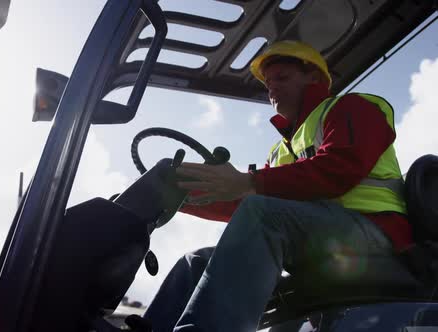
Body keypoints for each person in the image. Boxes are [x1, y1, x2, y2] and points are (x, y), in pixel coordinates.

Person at [141, 40, 412, 332]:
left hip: (375, 232)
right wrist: (175, 200)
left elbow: (338, 169)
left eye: (282, 77)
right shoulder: (281, 151)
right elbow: (242, 199)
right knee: (197, 262)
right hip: (323, 238)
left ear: (314, 78)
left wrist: (247, 182)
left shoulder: (353, 108)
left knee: (262, 214)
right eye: (268, 83)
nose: (272, 87)